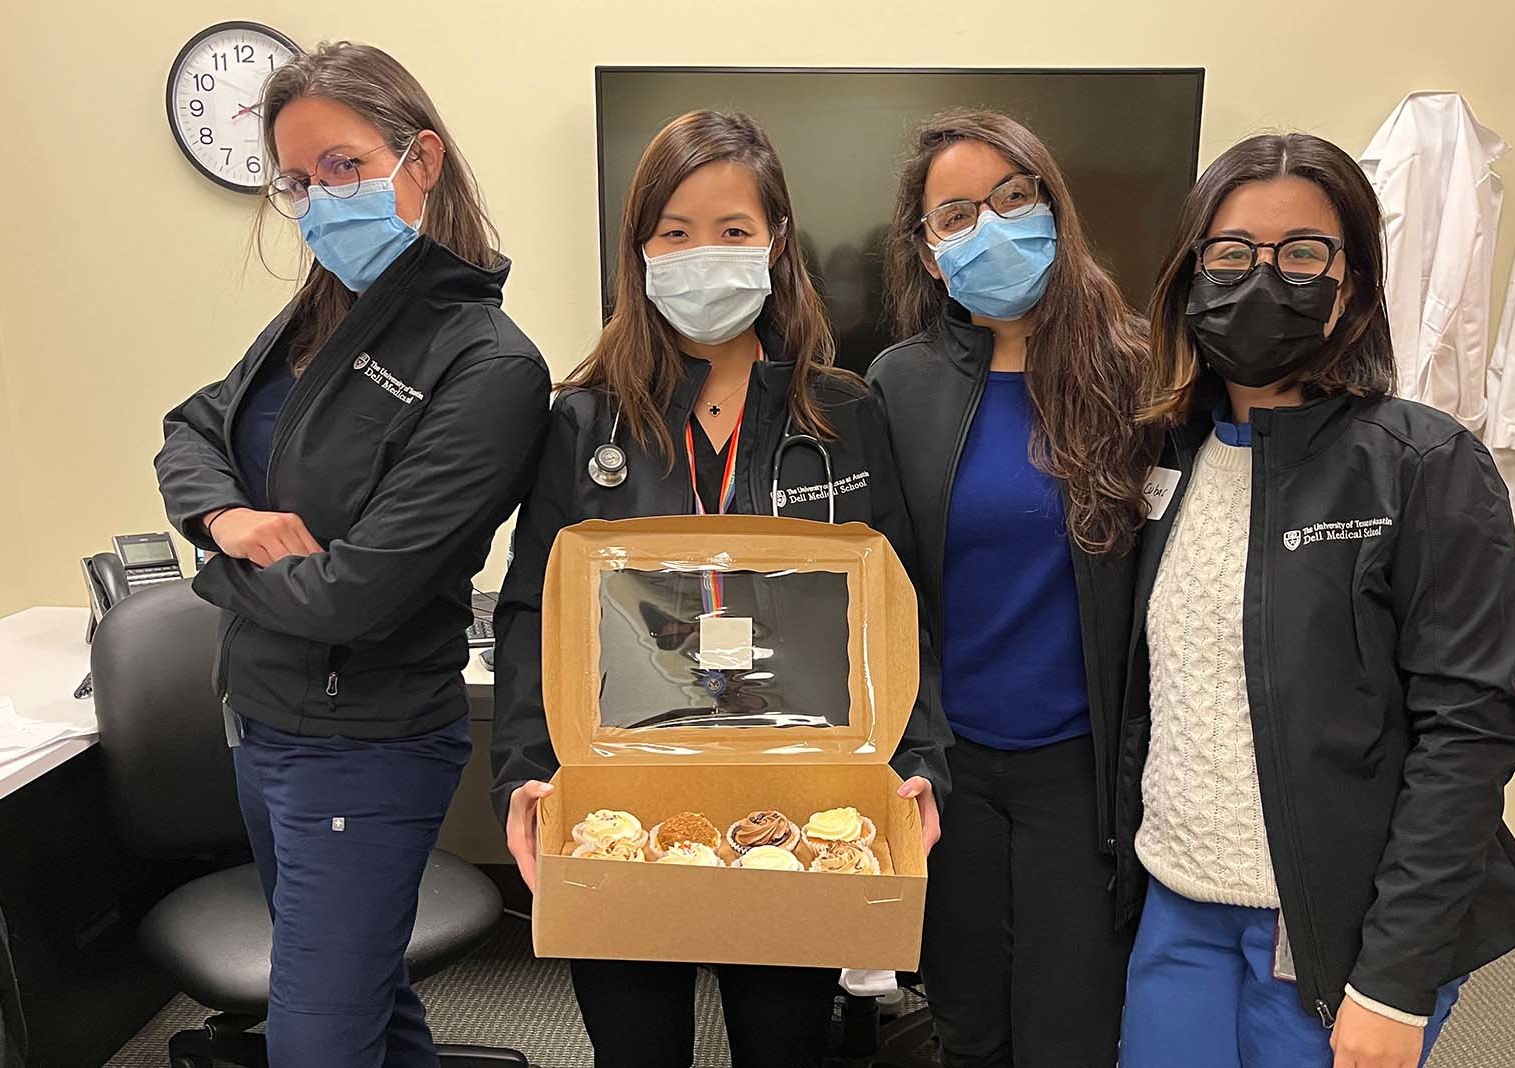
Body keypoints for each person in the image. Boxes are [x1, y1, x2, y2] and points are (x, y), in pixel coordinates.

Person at [488, 110, 953, 1068]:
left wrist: (920, 764)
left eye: (734, 231)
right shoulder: (583, 425)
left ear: (777, 242)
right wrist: (525, 773)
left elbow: (899, 614)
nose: (706, 254)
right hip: (616, 796)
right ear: (641, 252)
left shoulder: (846, 414)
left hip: (790, 793)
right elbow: (536, 610)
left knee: (784, 1051)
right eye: (676, 232)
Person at [1116, 132, 1515, 1068]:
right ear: (1192, 276)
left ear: (1352, 283)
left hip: (1330, 928)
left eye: (1302, 253)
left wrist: (1395, 981)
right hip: (1178, 902)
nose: (1262, 278)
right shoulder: (1166, 459)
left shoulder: (1423, 466)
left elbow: (1468, 734)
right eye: (1231, 253)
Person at [153, 42, 549, 1068]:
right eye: (296, 179)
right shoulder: (318, 316)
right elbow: (191, 429)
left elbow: (351, 597)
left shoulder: (489, 364)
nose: (319, 199)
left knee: (317, 1042)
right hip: (263, 726)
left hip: (362, 747)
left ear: (420, 161)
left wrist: (208, 574)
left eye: (342, 166)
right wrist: (227, 525)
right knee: (361, 1004)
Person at [867, 108, 1159, 1067]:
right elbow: (884, 593)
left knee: (1070, 1030)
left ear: (1051, 206)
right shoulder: (898, 386)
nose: (986, 226)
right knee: (965, 1023)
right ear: (928, 247)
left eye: (1010, 197)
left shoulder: (1137, 373)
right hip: (947, 766)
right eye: (954, 215)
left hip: (1080, 773)